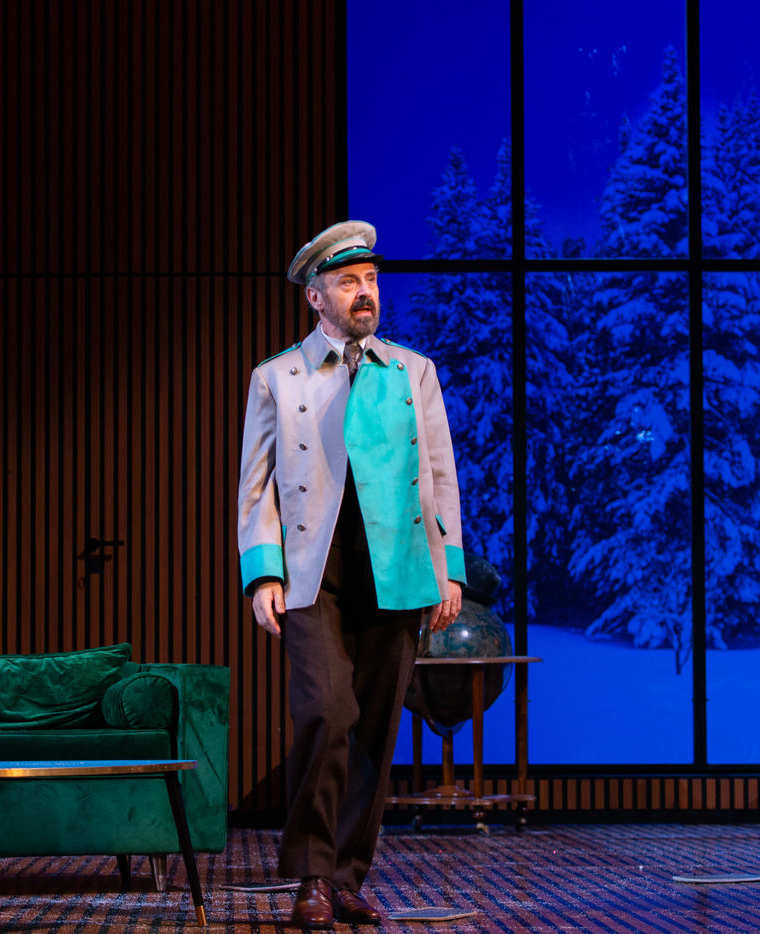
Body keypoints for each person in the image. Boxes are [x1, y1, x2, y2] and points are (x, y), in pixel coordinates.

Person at [236, 220, 466, 929]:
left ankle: (345, 877)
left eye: (369, 280)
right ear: (316, 297)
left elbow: (439, 476)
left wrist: (448, 570)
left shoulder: (413, 372)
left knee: (373, 728)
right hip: (315, 570)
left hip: (394, 567)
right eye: (347, 282)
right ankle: (311, 874)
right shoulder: (278, 377)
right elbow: (256, 487)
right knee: (326, 711)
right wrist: (262, 574)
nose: (365, 292)